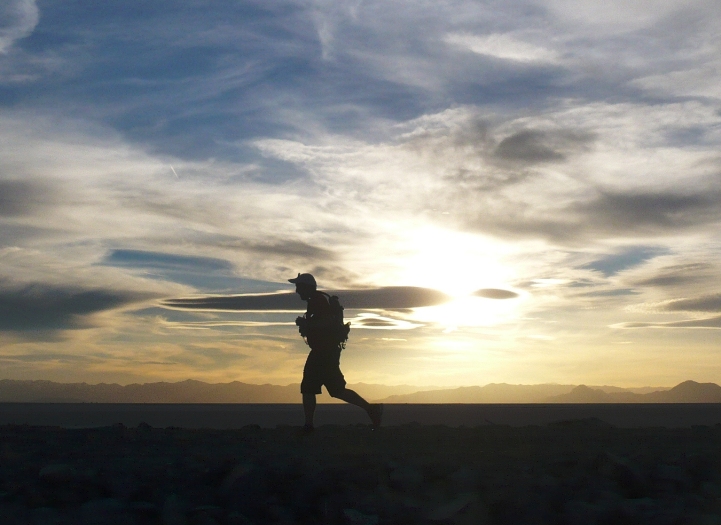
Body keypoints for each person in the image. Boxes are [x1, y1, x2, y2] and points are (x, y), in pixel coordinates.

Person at [289, 273, 383, 432]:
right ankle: (371, 409)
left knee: (310, 388)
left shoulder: (318, 301)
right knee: (335, 390)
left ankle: (308, 426)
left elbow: (326, 323)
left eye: (299, 287)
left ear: (307, 287)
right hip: (327, 352)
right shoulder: (318, 300)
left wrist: (306, 324)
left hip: (323, 352)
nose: (297, 291)